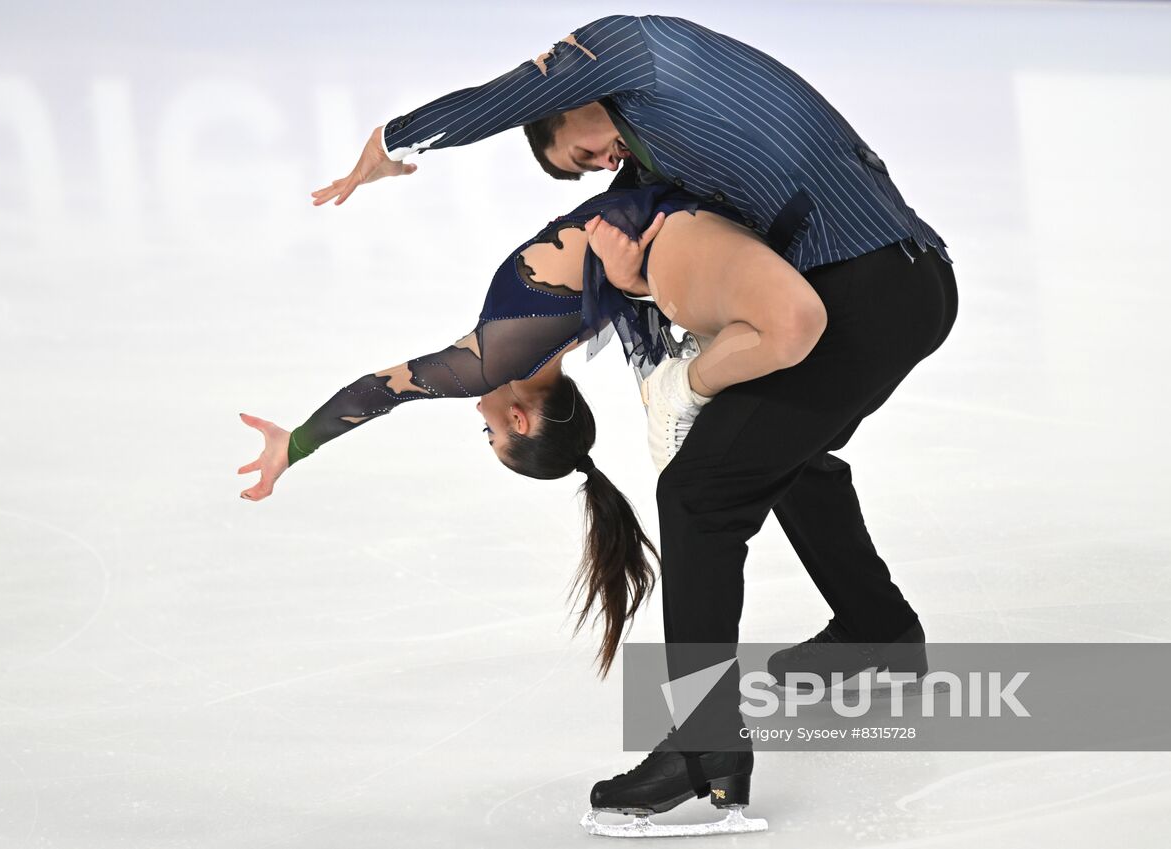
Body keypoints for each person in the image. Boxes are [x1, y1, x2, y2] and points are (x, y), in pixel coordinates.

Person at [306, 14, 958, 833]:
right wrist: (643, 286)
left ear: (568, 105)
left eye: (582, 153)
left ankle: (703, 749)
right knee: (769, 456)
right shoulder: (659, 138)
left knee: (697, 494)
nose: (603, 162)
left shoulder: (631, 51)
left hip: (865, 291)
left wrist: (396, 137)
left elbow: (517, 91)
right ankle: (876, 630)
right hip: (901, 281)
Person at [238, 181, 827, 683]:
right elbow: (379, 392)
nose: (479, 419)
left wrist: (297, 445)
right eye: (491, 435)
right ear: (519, 419)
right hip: (673, 201)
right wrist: (295, 445)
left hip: (681, 204)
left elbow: (378, 394)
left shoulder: (570, 335)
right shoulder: (494, 363)